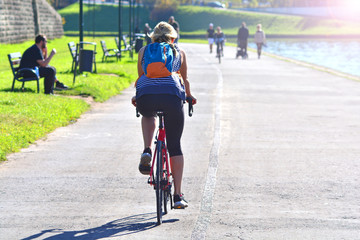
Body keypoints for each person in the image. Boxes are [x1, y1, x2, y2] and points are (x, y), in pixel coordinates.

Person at [131, 21, 197, 209]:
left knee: (148, 114)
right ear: (172, 37)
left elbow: (142, 77)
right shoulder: (178, 52)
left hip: (146, 96)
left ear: (153, 37)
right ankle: (177, 195)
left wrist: (138, 96)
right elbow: (183, 81)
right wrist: (190, 97)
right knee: (175, 147)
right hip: (171, 97)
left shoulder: (144, 51)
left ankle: (147, 149)